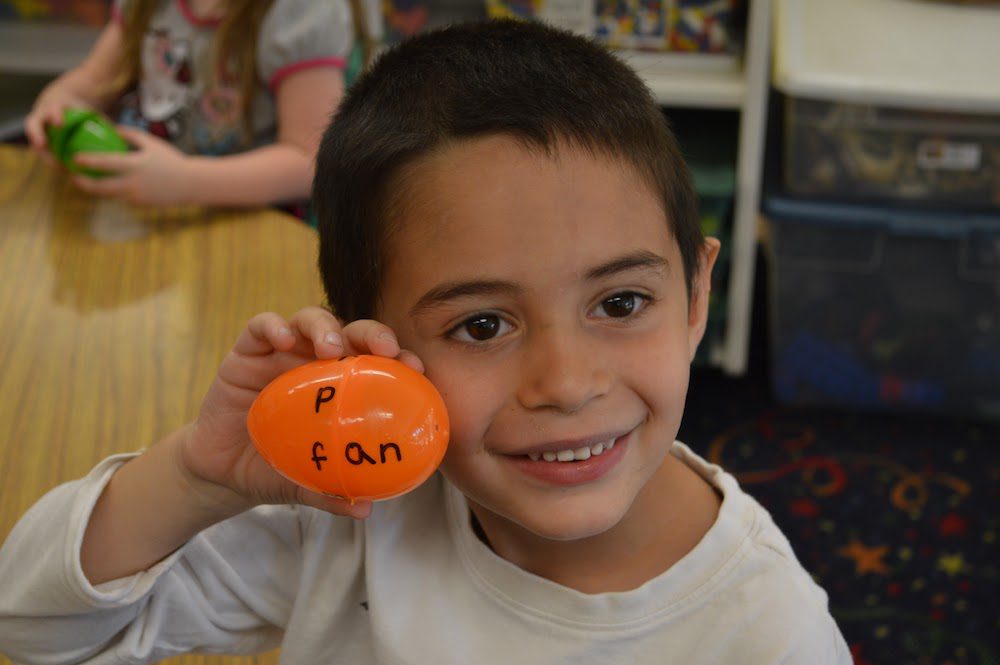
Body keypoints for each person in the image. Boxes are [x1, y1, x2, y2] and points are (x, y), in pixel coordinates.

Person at [0, 19, 852, 663]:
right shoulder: (346, 514)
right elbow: (33, 624)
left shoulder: (769, 631)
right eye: (481, 324)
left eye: (621, 302)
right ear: (365, 344)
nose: (565, 381)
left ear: (698, 292)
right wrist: (194, 476)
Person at [22, 0, 378, 207]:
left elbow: (309, 160)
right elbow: (90, 82)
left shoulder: (300, 12)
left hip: (243, 221)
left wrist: (184, 182)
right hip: (140, 210)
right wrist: (60, 102)